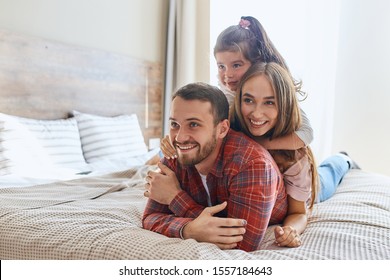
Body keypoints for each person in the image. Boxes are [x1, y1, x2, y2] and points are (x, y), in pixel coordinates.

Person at [142, 82, 288, 252]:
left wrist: (175, 197)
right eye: (175, 124)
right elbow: (149, 217)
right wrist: (187, 230)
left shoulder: (253, 165)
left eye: (194, 124)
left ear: (222, 129)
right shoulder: (177, 154)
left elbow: (240, 243)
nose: (180, 138)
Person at [230, 61, 360, 247]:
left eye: (269, 102)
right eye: (248, 100)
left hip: (308, 187)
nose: (256, 113)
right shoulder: (230, 127)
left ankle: (343, 158)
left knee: (329, 174)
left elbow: (298, 213)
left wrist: (291, 230)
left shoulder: (295, 159)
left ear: (284, 105)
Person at [160, 15, 313, 160]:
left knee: (325, 178)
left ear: (256, 62)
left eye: (236, 65)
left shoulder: (274, 90)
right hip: (251, 162)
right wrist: (173, 142)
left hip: (288, 166)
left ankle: (337, 162)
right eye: (221, 66)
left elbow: (306, 134)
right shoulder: (223, 97)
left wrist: (260, 145)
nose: (228, 74)